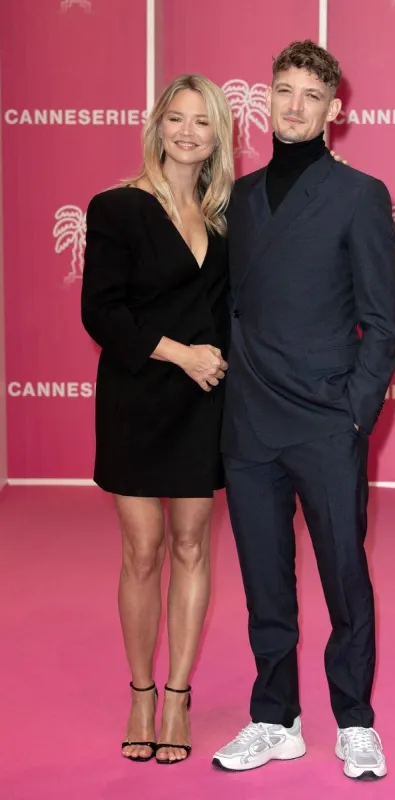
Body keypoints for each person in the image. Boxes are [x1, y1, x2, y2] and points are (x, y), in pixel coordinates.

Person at [212, 40, 395, 781]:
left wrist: (353, 411)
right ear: (268, 98)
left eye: (310, 95)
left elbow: (381, 324)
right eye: (283, 91)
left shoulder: (359, 195)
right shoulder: (241, 198)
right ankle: (274, 717)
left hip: (325, 422)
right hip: (251, 424)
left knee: (343, 578)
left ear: (335, 110)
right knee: (264, 582)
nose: (293, 105)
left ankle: (354, 720)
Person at [81, 74, 233, 764]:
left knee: (192, 548)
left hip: (202, 402)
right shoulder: (116, 207)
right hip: (140, 393)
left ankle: (177, 695)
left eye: (202, 122)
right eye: (176, 118)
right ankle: (140, 689)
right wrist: (181, 356)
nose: (187, 132)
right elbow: (102, 312)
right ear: (157, 125)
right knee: (142, 551)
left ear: (217, 136)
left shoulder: (227, 217)